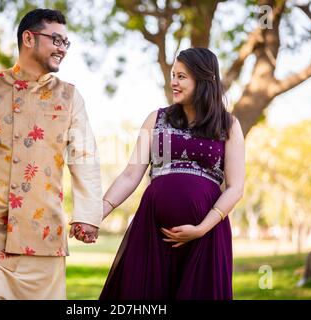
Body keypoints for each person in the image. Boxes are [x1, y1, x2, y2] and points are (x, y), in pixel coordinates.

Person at [0, 8, 102, 300]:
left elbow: (85, 160)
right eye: (56, 40)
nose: (62, 49)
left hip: (44, 240)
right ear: (28, 38)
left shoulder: (71, 97)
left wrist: (88, 216)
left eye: (66, 43)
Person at [99, 48, 245, 300]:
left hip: (205, 236)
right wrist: (98, 212)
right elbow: (130, 174)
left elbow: (235, 187)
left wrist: (201, 228)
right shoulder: (156, 119)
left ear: (204, 79)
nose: (173, 82)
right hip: (152, 231)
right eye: (173, 75)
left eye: (181, 77)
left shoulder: (228, 125)